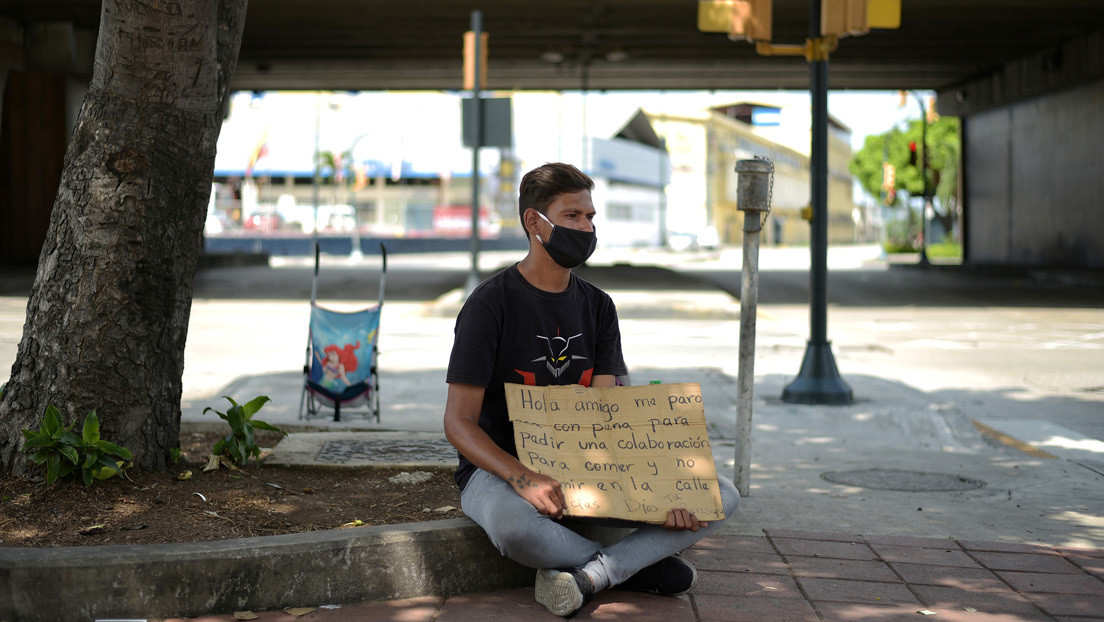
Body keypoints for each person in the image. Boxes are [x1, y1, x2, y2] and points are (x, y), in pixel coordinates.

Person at [443, 162, 740, 618]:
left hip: (587, 467)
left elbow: (608, 414)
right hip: (500, 472)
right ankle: (634, 569)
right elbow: (458, 422)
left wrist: (666, 489)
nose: (586, 227)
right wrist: (523, 478)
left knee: (720, 493)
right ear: (533, 222)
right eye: (573, 216)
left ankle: (593, 574)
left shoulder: (599, 306)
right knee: (513, 527)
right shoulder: (489, 304)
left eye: (590, 217)